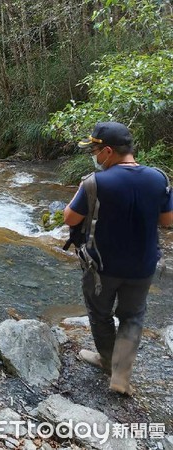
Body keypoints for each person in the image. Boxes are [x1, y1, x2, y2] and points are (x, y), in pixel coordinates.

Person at [63, 122, 173, 395]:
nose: (95, 156)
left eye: (96, 151)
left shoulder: (94, 183)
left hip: (101, 266)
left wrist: (82, 191)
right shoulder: (158, 178)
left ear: (108, 151)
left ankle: (106, 361)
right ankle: (121, 375)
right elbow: (168, 220)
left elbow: (70, 218)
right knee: (133, 316)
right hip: (143, 265)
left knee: (100, 313)